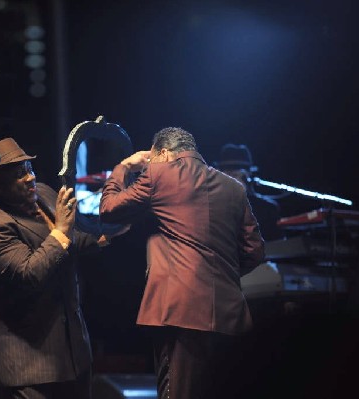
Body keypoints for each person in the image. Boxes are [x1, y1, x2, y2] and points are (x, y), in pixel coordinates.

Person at [99, 127, 265, 399]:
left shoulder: (158, 173)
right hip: (228, 313)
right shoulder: (234, 188)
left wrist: (124, 167)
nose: (148, 165)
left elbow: (108, 208)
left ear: (164, 153)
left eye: (151, 159)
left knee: (177, 390)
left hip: (181, 310)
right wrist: (223, 273)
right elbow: (255, 251)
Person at [0, 138, 120, 399]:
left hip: (72, 354)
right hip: (32, 361)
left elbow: (73, 239)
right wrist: (61, 231)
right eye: (19, 175)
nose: (30, 178)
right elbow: (29, 273)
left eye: (29, 169)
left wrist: (110, 231)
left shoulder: (41, 192)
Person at [215, 143, 282, 241]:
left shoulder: (268, 208)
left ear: (249, 175)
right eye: (228, 172)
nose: (234, 177)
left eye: (238, 172)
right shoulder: (209, 207)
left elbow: (278, 247)